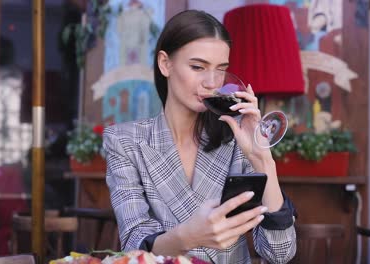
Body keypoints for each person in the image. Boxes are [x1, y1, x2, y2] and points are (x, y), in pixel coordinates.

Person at [103, 9, 297, 264]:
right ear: (165, 64)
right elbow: (134, 244)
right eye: (197, 67)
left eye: (221, 69)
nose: (212, 82)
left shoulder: (237, 140)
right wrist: (188, 237)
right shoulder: (124, 142)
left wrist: (262, 157)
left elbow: (280, 254)